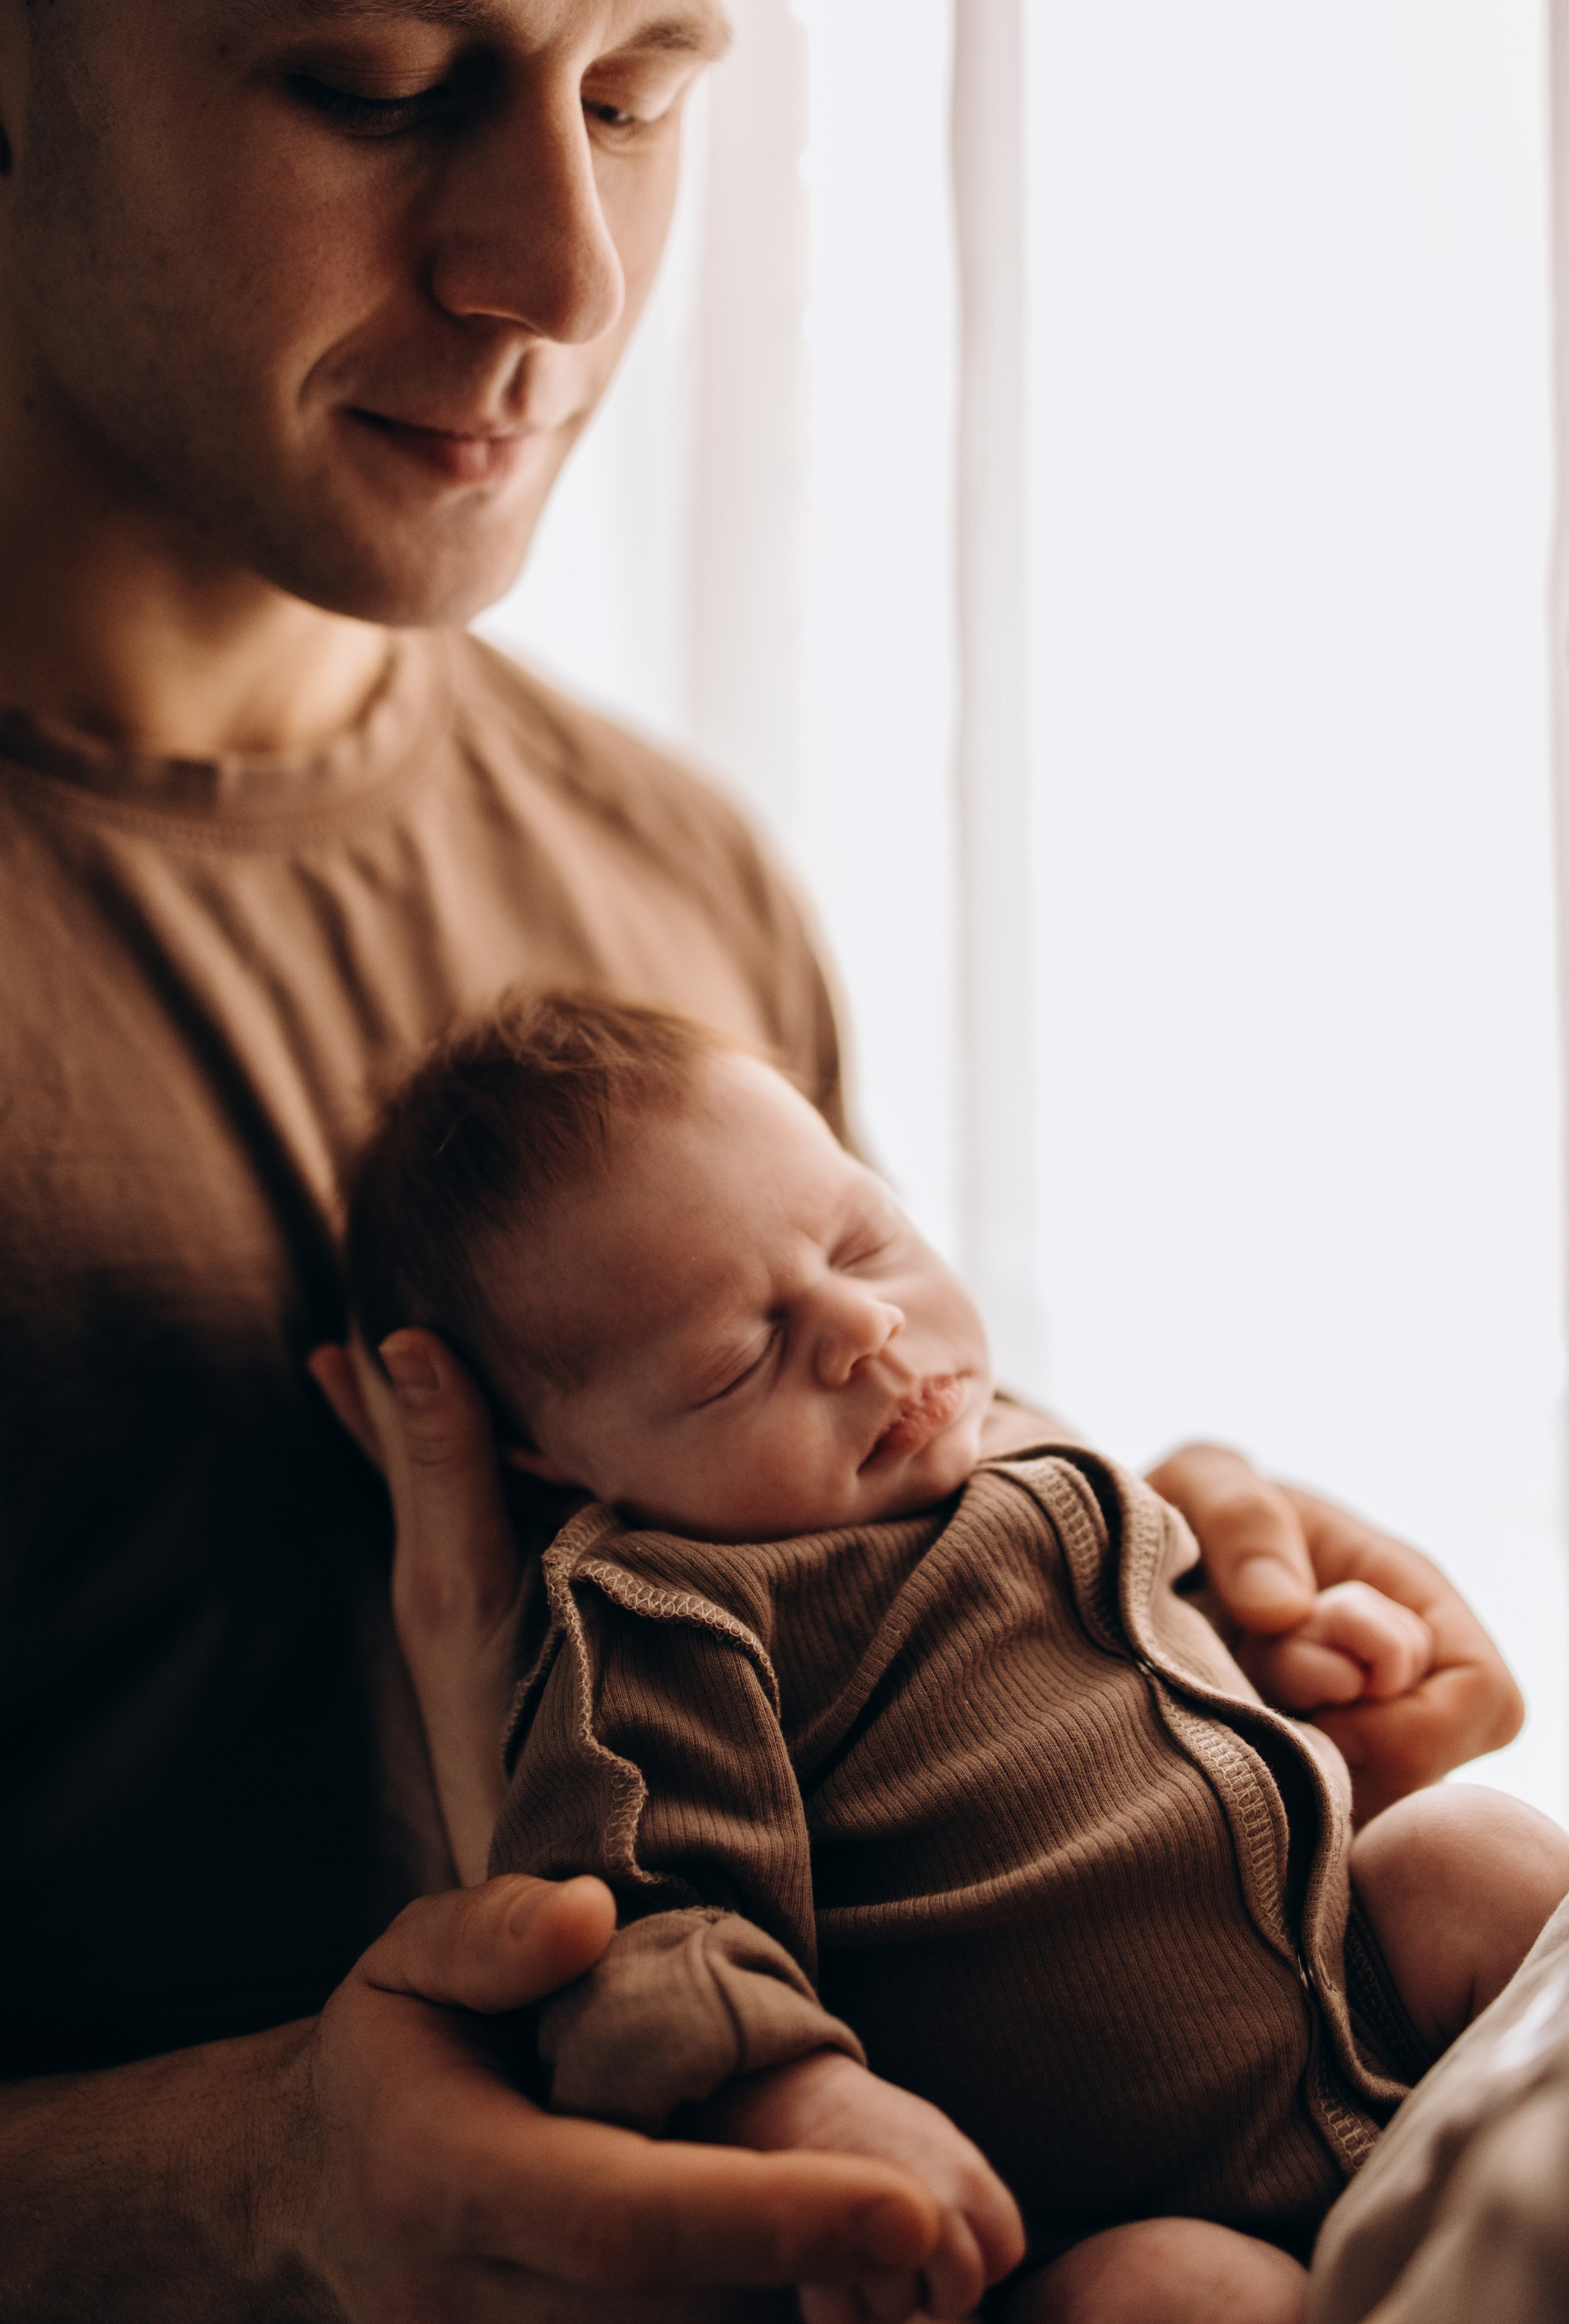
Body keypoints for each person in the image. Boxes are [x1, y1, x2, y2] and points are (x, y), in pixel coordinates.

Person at [0, 2, 1525, 2317]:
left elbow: (879, 1592)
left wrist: (1202, 1606)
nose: (570, 271)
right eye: (379, 85)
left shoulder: (669, 881)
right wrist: (249, 2184)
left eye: (638, 93)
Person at [338, 987, 1569, 2324]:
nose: (862, 1330)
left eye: (863, 1242)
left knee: (1473, 1857)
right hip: (1100, 2215)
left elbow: (1150, 1670)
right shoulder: (674, 1617)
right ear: (556, 1460)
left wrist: (1295, 1651)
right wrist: (805, 2100)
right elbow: (648, 1926)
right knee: (1181, 2297)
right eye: (735, 1358)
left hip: (1366, 2014)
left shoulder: (1017, 1447)